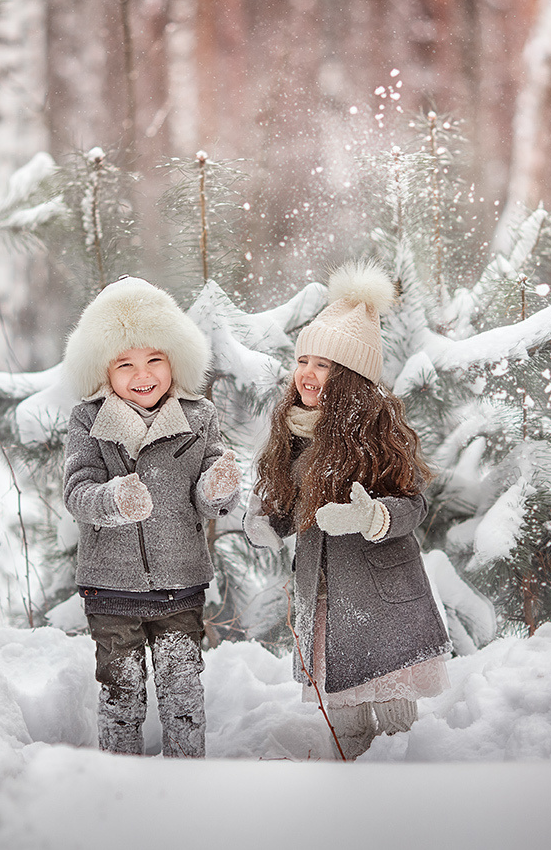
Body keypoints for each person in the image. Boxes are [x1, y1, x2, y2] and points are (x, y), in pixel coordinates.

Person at [244, 261, 451, 760]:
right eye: (304, 360)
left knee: (399, 731)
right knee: (347, 726)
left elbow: (413, 503)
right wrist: (264, 522)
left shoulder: (379, 434)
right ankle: (351, 809)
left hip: (382, 597)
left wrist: (373, 517)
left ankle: (408, 812)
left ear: (352, 378)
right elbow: (285, 506)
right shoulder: (293, 433)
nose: (308, 374)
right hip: (326, 601)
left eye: (325, 365)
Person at [62, 276, 242, 758]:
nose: (143, 374)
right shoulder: (87, 420)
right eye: (126, 363)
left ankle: (188, 781)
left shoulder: (199, 416)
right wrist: (113, 501)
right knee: (122, 693)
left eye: (154, 359)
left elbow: (207, 494)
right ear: (103, 370)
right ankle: (121, 784)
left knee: (183, 692)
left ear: (175, 359)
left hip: (179, 582)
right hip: (111, 588)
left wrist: (216, 488)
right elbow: (77, 492)